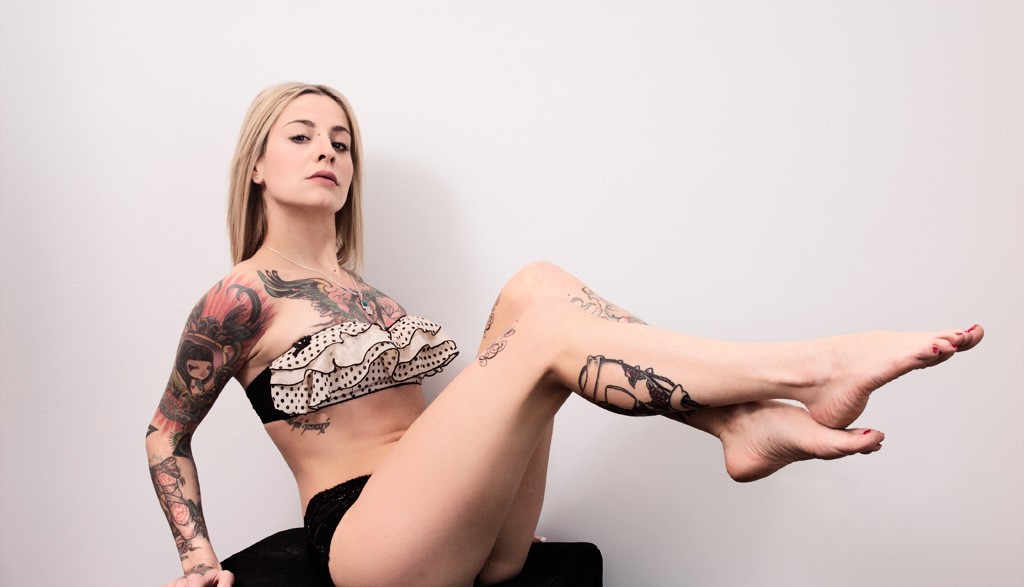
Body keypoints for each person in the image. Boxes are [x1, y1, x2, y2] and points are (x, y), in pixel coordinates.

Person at [146, 82, 984, 587]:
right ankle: (809, 369)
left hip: (456, 525)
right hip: (368, 540)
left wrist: (475, 487)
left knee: (536, 285)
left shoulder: (369, 293)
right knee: (546, 324)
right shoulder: (240, 296)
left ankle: (739, 422)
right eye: (300, 137)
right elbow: (165, 432)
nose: (327, 151)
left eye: (341, 142)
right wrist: (197, 559)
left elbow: (431, 429)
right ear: (257, 166)